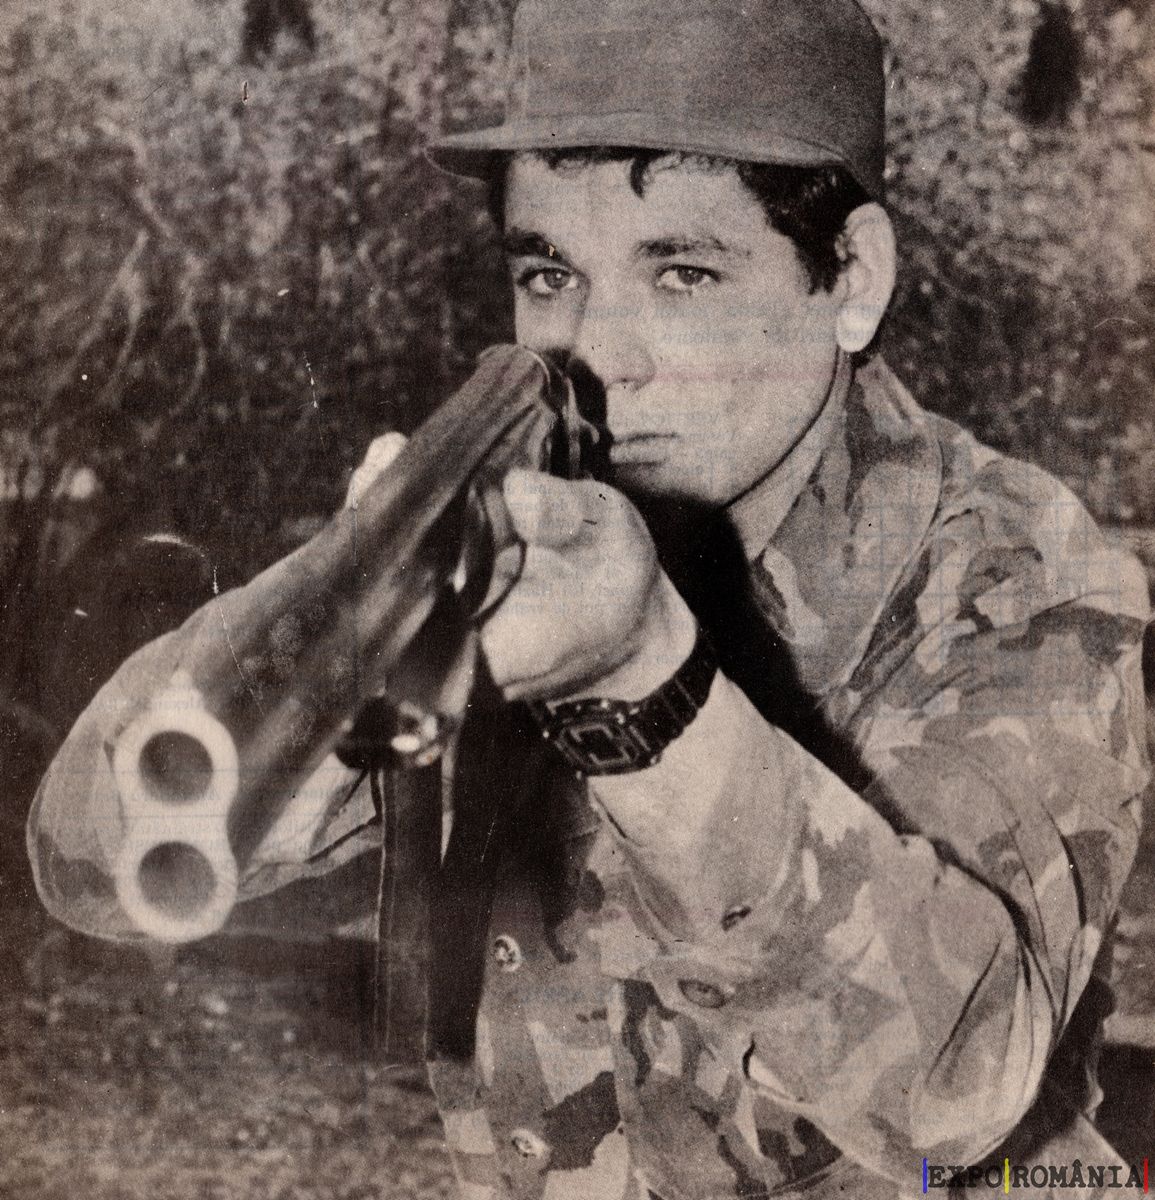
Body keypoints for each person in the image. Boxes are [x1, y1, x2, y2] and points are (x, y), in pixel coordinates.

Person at [28, 0, 1152, 1196]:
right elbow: (92, 862)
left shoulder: (1014, 580)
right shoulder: (526, 525)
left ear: (851, 279)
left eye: (684, 274)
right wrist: (344, 644)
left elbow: (956, 1085)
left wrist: (644, 689)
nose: (603, 354)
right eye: (549, 272)